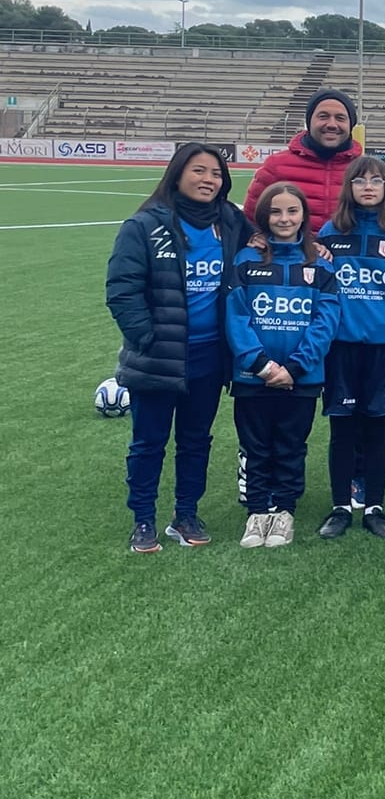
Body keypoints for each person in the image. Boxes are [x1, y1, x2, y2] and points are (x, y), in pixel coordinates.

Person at [105, 142, 252, 555]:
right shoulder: (145, 225)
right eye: (199, 171)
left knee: (195, 440)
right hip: (158, 355)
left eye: (217, 174)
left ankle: (186, 513)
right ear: (177, 173)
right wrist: (146, 336)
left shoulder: (230, 219)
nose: (209, 180)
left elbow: (268, 239)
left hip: (209, 355)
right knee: (148, 441)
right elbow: (122, 288)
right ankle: (143, 519)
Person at [314, 155, 385, 540]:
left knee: (377, 428)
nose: (367, 187)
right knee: (341, 429)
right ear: (348, 188)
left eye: (375, 181)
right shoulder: (330, 235)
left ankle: (375, 507)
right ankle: (340, 507)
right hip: (340, 349)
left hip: (384, 351)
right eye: (359, 180)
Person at [226, 184, 341, 549]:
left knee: (291, 446)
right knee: (256, 446)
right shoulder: (246, 261)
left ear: (304, 216)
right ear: (263, 218)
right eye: (276, 212)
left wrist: (295, 367)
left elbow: (326, 321)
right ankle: (258, 511)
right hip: (252, 377)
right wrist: (259, 364)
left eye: (292, 211)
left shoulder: (320, 265)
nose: (284, 219)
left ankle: (284, 512)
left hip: (301, 377)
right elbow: (236, 316)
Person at [242, 90, 362, 228]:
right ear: (309, 122)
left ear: (351, 124)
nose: (332, 124)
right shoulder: (276, 166)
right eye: (323, 116)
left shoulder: (364, 170)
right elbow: (250, 222)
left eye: (340, 118)